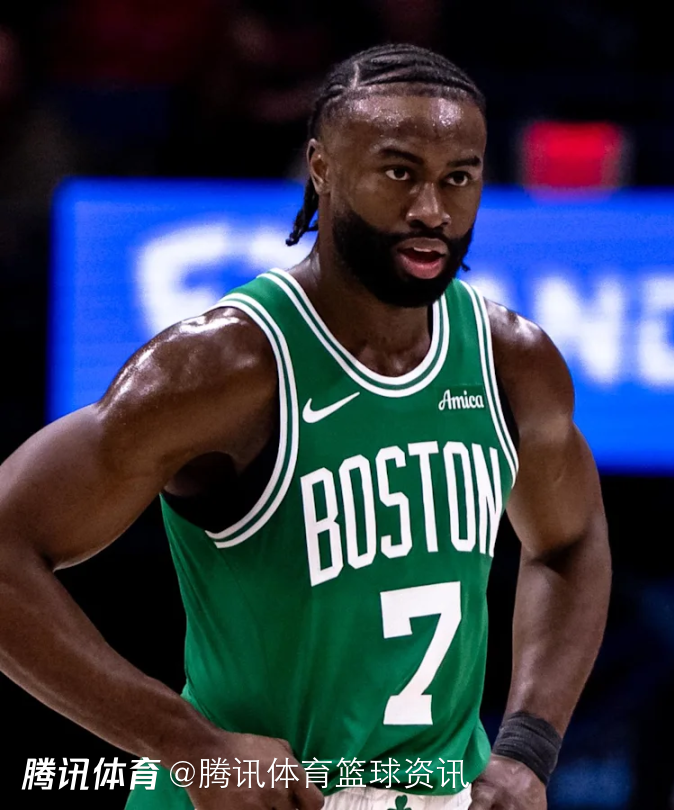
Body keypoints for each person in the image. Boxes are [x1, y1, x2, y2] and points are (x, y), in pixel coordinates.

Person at [0, 43, 611, 810]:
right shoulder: (225, 366)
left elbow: (571, 542)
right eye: (400, 172)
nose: (432, 209)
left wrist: (527, 748)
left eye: (459, 177)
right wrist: (190, 745)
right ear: (322, 168)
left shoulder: (511, 361)